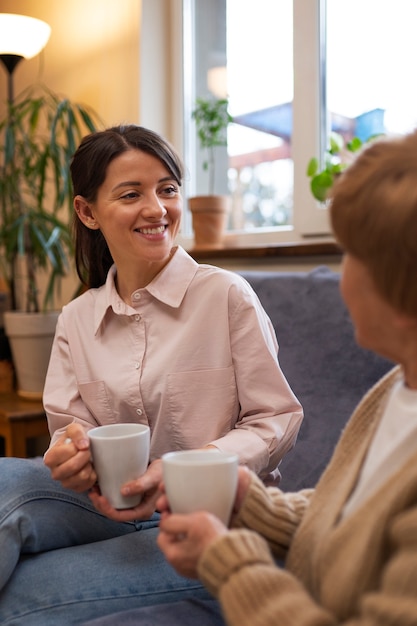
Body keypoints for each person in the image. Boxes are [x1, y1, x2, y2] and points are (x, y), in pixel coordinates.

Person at [0, 125, 302, 622]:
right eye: (131, 194)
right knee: (8, 478)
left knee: (20, 596)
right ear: (87, 212)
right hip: (102, 508)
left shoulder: (225, 295)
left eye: (167, 189)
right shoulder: (77, 319)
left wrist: (194, 464)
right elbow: (69, 432)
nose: (157, 208)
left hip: (208, 519)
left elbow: (277, 418)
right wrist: (70, 455)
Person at [155, 130, 417, 625]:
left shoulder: (223, 294)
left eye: (351, 257)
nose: (339, 279)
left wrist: (229, 564)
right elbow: (351, 514)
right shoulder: (395, 390)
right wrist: (250, 503)